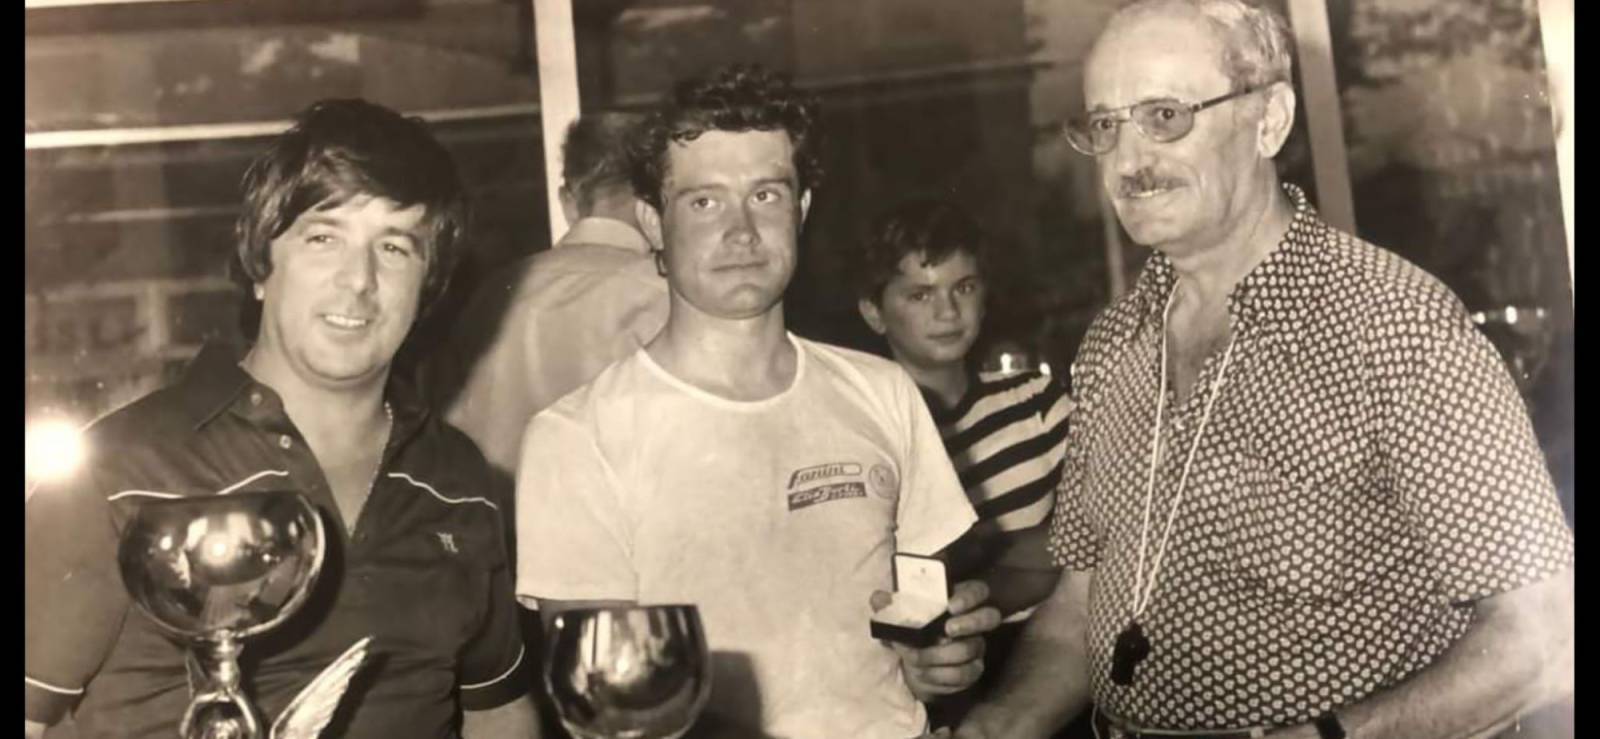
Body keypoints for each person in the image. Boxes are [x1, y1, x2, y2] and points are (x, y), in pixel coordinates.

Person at [957, 2, 1575, 737]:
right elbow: (1080, 604)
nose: (1127, 161)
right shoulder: (1112, 345)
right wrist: (996, 724)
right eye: (1105, 125)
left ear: (1270, 120)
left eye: (1164, 117)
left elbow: (1545, 638)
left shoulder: (1394, 325)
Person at [25, 100, 539, 739]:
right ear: (260, 266)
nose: (359, 281)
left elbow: (498, 713)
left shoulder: (458, 477)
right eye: (324, 238)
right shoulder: (117, 471)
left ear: (427, 287)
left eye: (394, 247)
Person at [515, 64, 1001, 738]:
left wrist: (937, 657)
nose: (742, 231)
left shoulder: (883, 390)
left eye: (766, 195)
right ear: (653, 221)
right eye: (704, 202)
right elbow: (609, 713)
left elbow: (917, 628)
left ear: (801, 209)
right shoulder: (577, 437)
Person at [853, 199, 1071, 728]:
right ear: (874, 312)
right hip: (938, 687)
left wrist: (975, 571)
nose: (948, 312)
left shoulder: (1036, 400)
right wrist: (1029, 554)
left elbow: (1096, 533)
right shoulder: (866, 436)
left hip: (1059, 667)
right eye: (920, 294)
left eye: (964, 288)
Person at [432, 111, 668, 479]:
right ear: (656, 201)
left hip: (498, 511)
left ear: (568, 201)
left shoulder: (493, 293)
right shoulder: (665, 294)